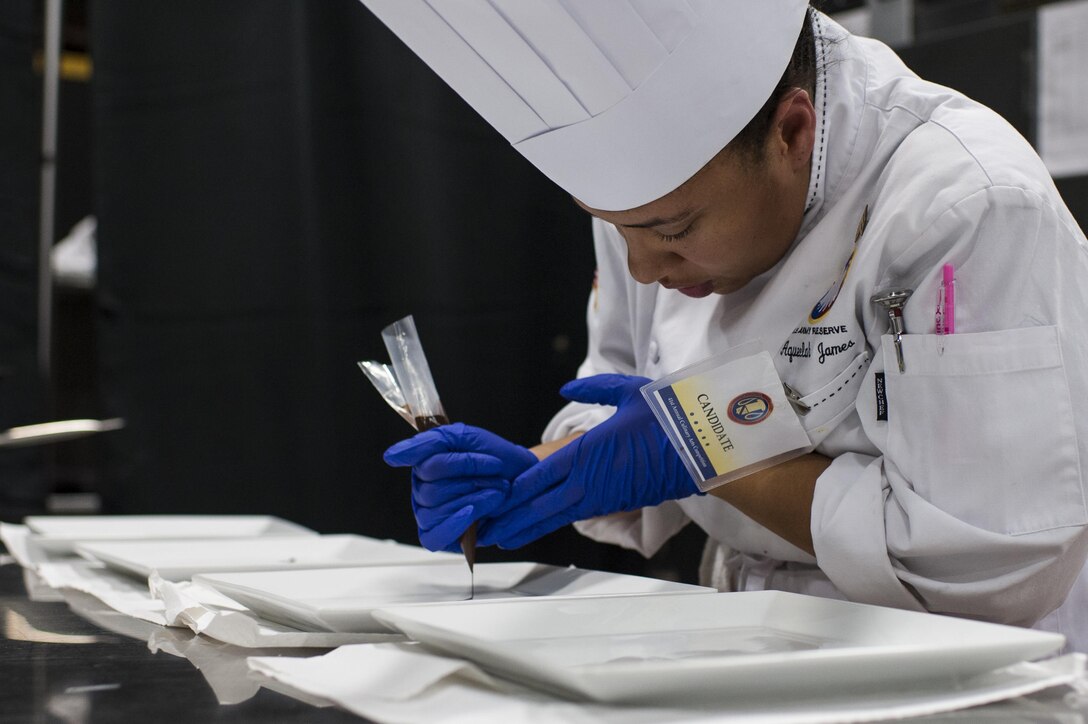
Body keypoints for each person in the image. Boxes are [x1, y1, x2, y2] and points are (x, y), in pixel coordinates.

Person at [366, 0, 1088, 652]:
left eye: (673, 232)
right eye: (618, 232)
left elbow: (986, 567)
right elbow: (624, 400)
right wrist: (537, 475)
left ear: (793, 133)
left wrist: (709, 445)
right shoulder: (650, 206)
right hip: (751, 635)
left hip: (962, 670)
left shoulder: (965, 205)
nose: (644, 269)